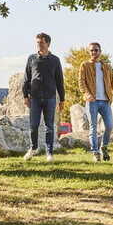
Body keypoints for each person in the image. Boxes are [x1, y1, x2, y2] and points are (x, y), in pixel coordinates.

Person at [78, 42, 113, 162]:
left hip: (105, 101)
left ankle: (103, 147)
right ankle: (95, 152)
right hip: (92, 101)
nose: (94, 52)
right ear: (89, 52)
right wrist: (87, 94)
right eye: (92, 50)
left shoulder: (106, 67)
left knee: (109, 126)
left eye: (96, 50)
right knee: (93, 128)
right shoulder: (85, 65)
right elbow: (81, 82)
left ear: (100, 51)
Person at [22, 32, 65, 162]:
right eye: (37, 43)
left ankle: (49, 152)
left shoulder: (55, 60)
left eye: (41, 43)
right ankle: (33, 148)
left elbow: (59, 81)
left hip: (50, 98)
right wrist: (25, 96)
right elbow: (26, 79)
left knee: (49, 126)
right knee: (33, 125)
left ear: (47, 43)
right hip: (34, 98)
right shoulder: (31, 58)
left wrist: (62, 99)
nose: (39, 45)